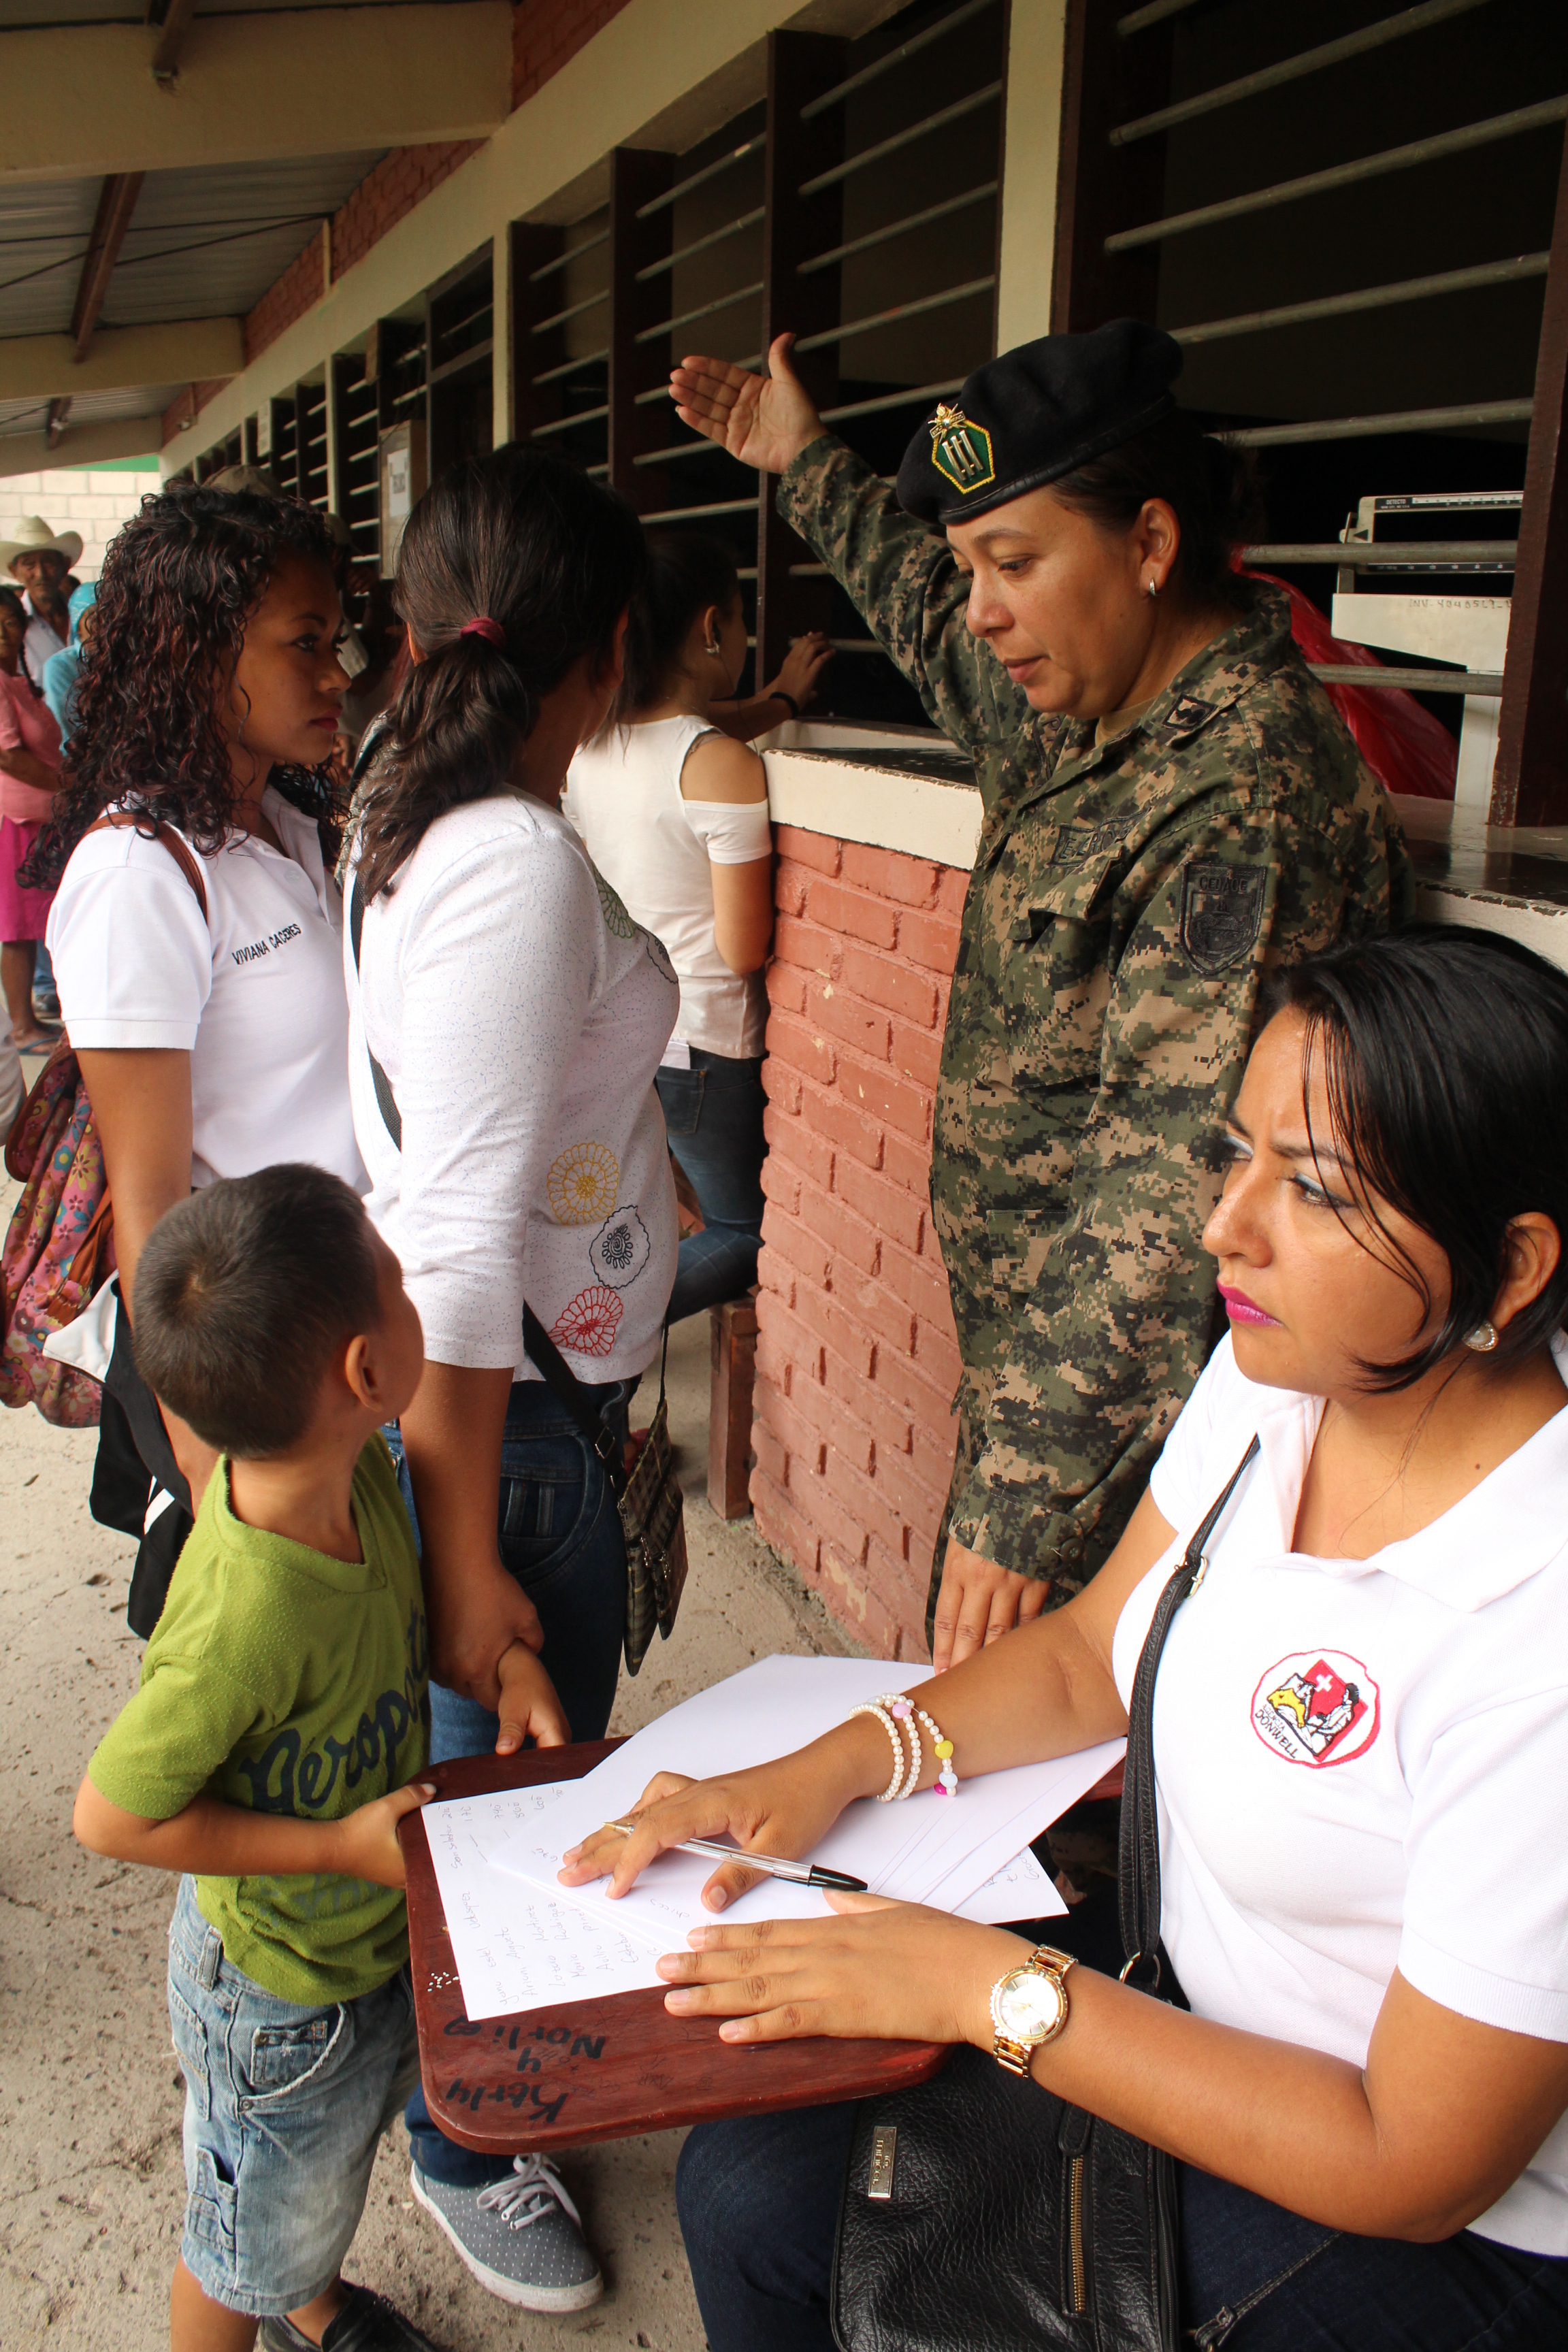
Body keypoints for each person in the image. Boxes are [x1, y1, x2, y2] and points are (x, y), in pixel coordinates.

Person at [565, 925, 1568, 2351]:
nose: (1228, 1225)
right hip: (1188, 2005)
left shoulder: (1538, 1626)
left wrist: (988, 1988)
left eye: (1317, 1189)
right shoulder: (1283, 1375)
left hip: (1427, 2221)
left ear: (1513, 1269)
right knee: (747, 2180)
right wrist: (836, 1764)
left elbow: (1413, 2161)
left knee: (822, 2237)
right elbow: (1100, 1650)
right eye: (1239, 1152)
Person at [669, 321, 1414, 1669]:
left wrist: (1019, 1506)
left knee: (1056, 1783)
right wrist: (801, 462)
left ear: (1149, 541)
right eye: (973, 566)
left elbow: (1172, 1184)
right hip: (1048, 1381)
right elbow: (925, 615)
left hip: (1144, 1428)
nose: (979, 609)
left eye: (1012, 564)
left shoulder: (1243, 791)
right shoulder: (1099, 714)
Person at [345, 444, 669, 2306]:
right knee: (508, 1792)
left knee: (504, 1789)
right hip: (513, 1435)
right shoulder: (515, 861)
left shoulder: (426, 813)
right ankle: (474, 2138)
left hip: (535, 1404)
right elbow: (459, 1239)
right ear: (608, 656)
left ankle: (473, 2097)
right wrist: (468, 1572)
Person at [71, 1163, 569, 2352]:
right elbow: (110, 1816)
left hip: (349, 1949)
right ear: (366, 1369)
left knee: (300, 2191)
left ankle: (309, 2294)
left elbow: (402, 1640)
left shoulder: (361, 1477)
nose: (417, 1295)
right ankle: (271, 2302)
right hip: (278, 1997)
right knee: (237, 2238)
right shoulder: (245, 1617)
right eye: (401, 1286)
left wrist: (503, 1670)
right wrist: (336, 1848)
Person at [32, 480, 364, 1633]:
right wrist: (215, 1485)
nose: (336, 674)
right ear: (196, 654)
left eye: (339, 640)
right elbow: (151, 1208)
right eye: (304, 644)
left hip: (353, 1332)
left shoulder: (283, 823)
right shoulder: (137, 880)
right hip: (256, 1367)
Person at [566, 534, 830, 1322]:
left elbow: (700, 737)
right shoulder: (719, 763)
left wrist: (779, 702)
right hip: (710, 1044)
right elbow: (744, 948)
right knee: (746, 1235)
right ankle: (587, 1335)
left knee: (651, 1211)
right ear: (714, 627)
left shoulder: (591, 745)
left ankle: (579, 1330)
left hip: (629, 1033)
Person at [0, 583, 63, 1051]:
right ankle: (22, 1026)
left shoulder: (20, 679)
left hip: (44, 819)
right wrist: (70, 787)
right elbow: (8, 757)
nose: (4, 632)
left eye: (10, 622)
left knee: (43, 922)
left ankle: (46, 1015)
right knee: (19, 929)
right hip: (18, 821)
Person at [1, 515, 81, 689]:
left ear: (64, 565)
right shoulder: (12, 626)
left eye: (48, 562)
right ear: (15, 571)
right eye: (29, 565)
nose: (41, 574)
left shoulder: (82, 615)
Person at [40, 581, 96, 745]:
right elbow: (67, 728)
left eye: (112, 614)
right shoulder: (60, 666)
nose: (106, 623)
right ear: (77, 626)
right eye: (94, 618)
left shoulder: (127, 659)